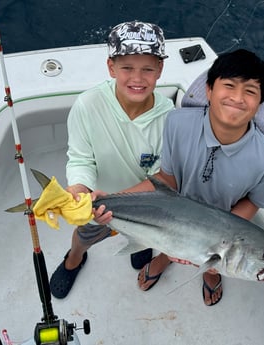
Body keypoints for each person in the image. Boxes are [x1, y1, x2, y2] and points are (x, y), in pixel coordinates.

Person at [93, 48, 264, 306]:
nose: (237, 98)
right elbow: (166, 181)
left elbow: (255, 201)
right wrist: (109, 200)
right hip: (171, 210)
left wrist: (224, 231)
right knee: (176, 243)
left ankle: (211, 272)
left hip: (224, 222)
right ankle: (163, 258)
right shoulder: (177, 123)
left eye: (250, 91)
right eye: (228, 86)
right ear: (209, 90)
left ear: (259, 102)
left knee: (216, 261)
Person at [49, 20, 174, 299]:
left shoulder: (170, 117)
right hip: (95, 205)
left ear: (160, 70)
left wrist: (113, 199)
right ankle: (74, 259)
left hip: (144, 208)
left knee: (144, 239)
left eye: (147, 69)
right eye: (127, 67)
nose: (137, 78)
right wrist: (80, 190)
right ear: (111, 67)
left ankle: (141, 246)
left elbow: (161, 178)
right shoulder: (88, 104)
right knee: (84, 237)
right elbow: (81, 158)